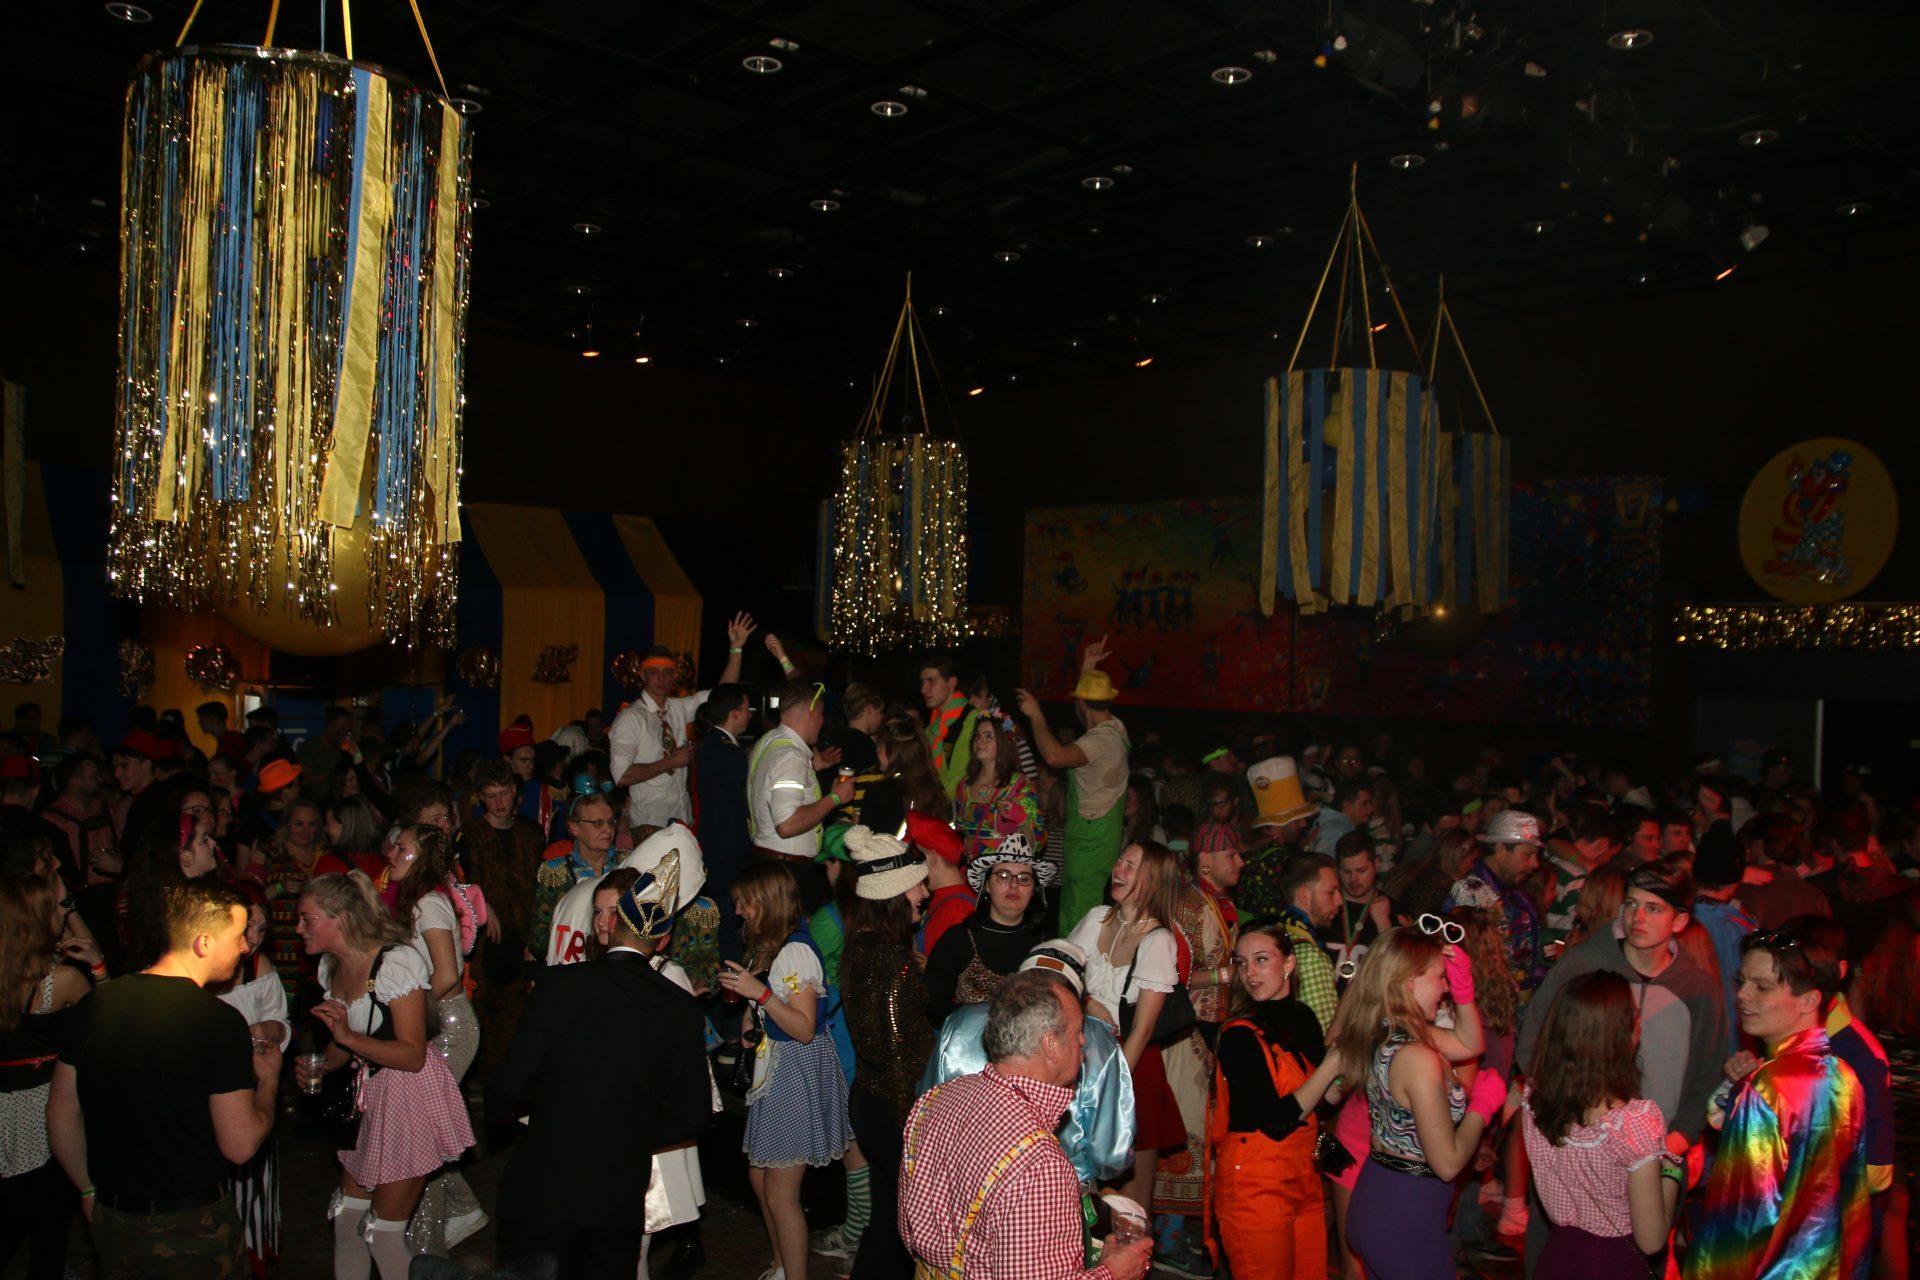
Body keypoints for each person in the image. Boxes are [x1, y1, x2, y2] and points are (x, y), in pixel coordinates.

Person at [487, 852, 712, 1280]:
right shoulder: (681, 1007)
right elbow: (692, 1115)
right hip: (618, 1195)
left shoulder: (560, 985)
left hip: (545, 1182)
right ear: (663, 940)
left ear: (613, 925)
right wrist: (628, 1136)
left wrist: (527, 1117)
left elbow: (509, 1082)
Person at [48, 879, 278, 1279]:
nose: (245, 947)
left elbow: (62, 1111)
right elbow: (241, 1145)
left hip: (114, 1219)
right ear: (204, 943)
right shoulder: (218, 1022)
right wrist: (269, 1083)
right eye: (238, 936)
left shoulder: (96, 1004)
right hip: (192, 1227)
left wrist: (87, 1188)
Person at [898, 968, 1154, 1280]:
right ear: (1051, 1045)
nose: (1083, 1041)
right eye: (1078, 1031)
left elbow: (911, 1228)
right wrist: (1112, 1273)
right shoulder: (1038, 1163)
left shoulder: (935, 1100)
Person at [293, 872, 474, 1280]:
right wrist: (323, 1063)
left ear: (340, 917)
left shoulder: (395, 962)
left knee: (383, 1234)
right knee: (347, 1217)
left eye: (308, 918)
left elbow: (411, 1055)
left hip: (410, 1097)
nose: (299, 928)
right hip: (369, 1097)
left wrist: (347, 1037)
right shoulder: (332, 967)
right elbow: (346, 1046)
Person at [1686, 930, 1870, 1280]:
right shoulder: (1844, 1075)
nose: (1742, 995)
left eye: (1762, 986)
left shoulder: (1767, 1089)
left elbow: (1740, 1222)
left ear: (1809, 1000)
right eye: (1742, 981)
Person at [1520, 860, 1727, 1168]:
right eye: (1631, 904)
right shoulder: (1582, 967)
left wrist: (1679, 1139)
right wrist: (1565, 1121)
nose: (1637, 917)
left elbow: (1707, 1075)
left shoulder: (1698, 991)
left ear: (1680, 921)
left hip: (1661, 1152)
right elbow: (1533, 1043)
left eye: (1653, 908)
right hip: (1576, 1149)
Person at [1333, 926, 1498, 1280]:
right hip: (1405, 1217)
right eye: (1440, 977)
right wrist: (1482, 1107)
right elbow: (1448, 1163)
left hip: (1380, 1198)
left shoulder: (1389, 1029)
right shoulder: (1416, 1056)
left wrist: (1465, 989)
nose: (1445, 987)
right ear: (1409, 982)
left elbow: (1470, 1045)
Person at [718, 859, 853, 1280]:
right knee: (760, 1179)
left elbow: (804, 1028)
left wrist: (760, 995)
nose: (738, 911)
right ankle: (780, 1266)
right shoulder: (770, 946)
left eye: (744, 903)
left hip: (795, 1072)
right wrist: (750, 1016)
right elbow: (773, 1009)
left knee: (780, 1191)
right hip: (777, 1067)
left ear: (767, 902)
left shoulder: (795, 951)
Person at [920, 939, 1138, 1188]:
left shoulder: (959, 1022)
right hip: (1059, 1188)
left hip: (960, 1183)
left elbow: (929, 1111)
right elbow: (1111, 1156)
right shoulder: (1099, 1041)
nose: (1081, 1041)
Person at [1520, 971, 1682, 1278]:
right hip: (1612, 1264)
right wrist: (1672, 1171)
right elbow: (1651, 1241)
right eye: (1633, 1017)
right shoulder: (1632, 1124)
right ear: (1618, 1037)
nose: (1639, 1023)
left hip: (1558, 1257)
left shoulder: (1534, 1101)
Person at [1209, 921, 1345, 1280]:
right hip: (1255, 1183)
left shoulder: (1304, 1018)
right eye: (1242, 963)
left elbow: (1322, 1103)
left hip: (1303, 1176)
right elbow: (1276, 1121)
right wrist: (1330, 1067)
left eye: (1261, 959)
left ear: (1289, 963)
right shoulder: (1238, 1035)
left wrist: (1350, 1063)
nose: (1249, 973)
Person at [1065, 840, 1188, 1216]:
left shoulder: (1158, 941)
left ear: (1153, 879)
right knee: (1075, 1189)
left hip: (1129, 1070)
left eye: (1131, 865)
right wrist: (1088, 1002)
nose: (1118, 868)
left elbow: (1141, 1031)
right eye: (1120, 861)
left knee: (1128, 1205)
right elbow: (1062, 977)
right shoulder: (1097, 917)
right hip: (1079, 1058)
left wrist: (1111, 1093)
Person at [381, 823, 488, 1253]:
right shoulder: (417, 900)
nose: (392, 854)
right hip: (436, 1022)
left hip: (447, 1026)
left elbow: (447, 975)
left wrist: (412, 1019)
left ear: (423, 858)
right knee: (427, 1131)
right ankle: (461, 1210)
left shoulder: (428, 903)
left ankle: (426, 1248)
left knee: (421, 1137)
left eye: (402, 849)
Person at [840, 823, 934, 1280]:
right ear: (895, 893)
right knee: (903, 1230)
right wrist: (912, 1127)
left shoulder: (859, 945)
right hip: (893, 1108)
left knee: (885, 1223)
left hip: (867, 1100)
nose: (925, 893)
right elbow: (899, 1053)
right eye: (918, 885)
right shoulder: (892, 960)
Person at [1152, 829, 1243, 1270]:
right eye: (1232, 854)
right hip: (1185, 1035)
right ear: (1205, 860)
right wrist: (1230, 975)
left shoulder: (1214, 903)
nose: (1240, 862)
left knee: (1201, 1133)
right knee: (1184, 1134)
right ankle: (1166, 1243)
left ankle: (1178, 1236)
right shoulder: (1189, 905)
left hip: (1207, 1032)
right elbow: (1172, 975)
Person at [0, 872, 93, 1279]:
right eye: (56, 907)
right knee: (49, 1216)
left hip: (6, 1110)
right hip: (47, 1112)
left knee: (16, 1208)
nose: (63, 913)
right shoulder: (62, 980)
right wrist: (99, 966)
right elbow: (105, 1024)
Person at [1017, 639, 1130, 934]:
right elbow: (1086, 712)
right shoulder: (1115, 727)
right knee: (1081, 910)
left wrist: (1036, 715)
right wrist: (1088, 667)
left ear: (1081, 701)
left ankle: (1073, 962)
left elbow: (1054, 756)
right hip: (1098, 834)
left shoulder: (1101, 740)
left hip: (1091, 838)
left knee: (1078, 919)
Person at [608, 613, 754, 840]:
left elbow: (721, 696)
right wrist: (671, 762)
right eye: (654, 673)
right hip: (649, 823)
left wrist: (736, 648)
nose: (662, 679)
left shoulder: (676, 708)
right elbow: (621, 775)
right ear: (643, 675)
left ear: (674, 675)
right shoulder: (631, 718)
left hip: (681, 820)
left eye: (667, 673)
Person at [213, 889, 289, 1276]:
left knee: (253, 1192)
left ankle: (254, 1257)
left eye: (262, 929)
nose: (255, 939)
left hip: (255, 1088)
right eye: (248, 928)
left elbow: (283, 1025)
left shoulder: (260, 967)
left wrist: (265, 1030)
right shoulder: (204, 970)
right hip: (212, 1097)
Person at [456, 762, 546, 1071]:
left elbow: (541, 887)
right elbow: (459, 883)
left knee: (519, 1015)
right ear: (481, 797)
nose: (499, 802)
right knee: (481, 1012)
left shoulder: (531, 833)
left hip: (523, 933)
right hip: (484, 940)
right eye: (491, 795)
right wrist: (483, 906)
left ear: (515, 792)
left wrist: (537, 935)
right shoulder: (469, 836)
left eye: (504, 793)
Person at [924, 832, 1053, 1028]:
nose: (1014, 885)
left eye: (1024, 878)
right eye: (1003, 876)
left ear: (1033, 889)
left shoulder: (1046, 944)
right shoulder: (958, 939)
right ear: (987, 886)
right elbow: (933, 1006)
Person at [1446, 809, 1547, 997]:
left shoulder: (1516, 894)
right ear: (1501, 850)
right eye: (1528, 855)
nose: (1535, 864)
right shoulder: (1470, 894)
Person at [694, 683, 753, 960]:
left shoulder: (711, 745)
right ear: (734, 714)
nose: (750, 715)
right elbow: (734, 809)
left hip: (714, 847)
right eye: (746, 709)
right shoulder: (729, 753)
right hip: (728, 852)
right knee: (729, 929)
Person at [528, 792, 621, 964]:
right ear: (574, 828)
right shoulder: (554, 871)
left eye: (611, 822)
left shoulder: (628, 864)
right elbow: (539, 941)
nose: (608, 829)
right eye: (598, 823)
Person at [1230, 756, 1322, 920]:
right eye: (1297, 819)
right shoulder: (1279, 860)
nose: (1303, 824)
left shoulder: (1255, 853)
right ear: (1280, 822)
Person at [952, 712, 1041, 864]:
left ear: (1003, 742)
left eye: (988, 736)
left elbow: (1035, 845)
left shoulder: (1020, 785)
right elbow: (959, 833)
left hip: (1004, 871)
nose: (980, 740)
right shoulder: (964, 786)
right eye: (977, 735)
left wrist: (1021, 819)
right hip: (970, 871)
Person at [1331, 832, 1393, 982]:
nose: (1353, 879)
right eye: (1346, 871)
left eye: (1361, 870)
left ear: (1376, 865)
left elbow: (1399, 969)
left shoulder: (1393, 911)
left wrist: (1384, 924)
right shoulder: (1326, 909)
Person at [921, 652, 983, 800]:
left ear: (951, 683)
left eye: (931, 681)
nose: (923, 689)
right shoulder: (930, 731)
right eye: (922, 683)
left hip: (972, 806)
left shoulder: (977, 721)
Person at [324, 795, 389, 879]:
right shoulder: (384, 862)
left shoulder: (329, 864)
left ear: (346, 825)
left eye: (328, 823)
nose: (325, 829)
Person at [1312, 778, 1376, 856]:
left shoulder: (1342, 829)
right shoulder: (1334, 831)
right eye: (1365, 803)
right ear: (1347, 804)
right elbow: (1322, 862)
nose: (1371, 808)